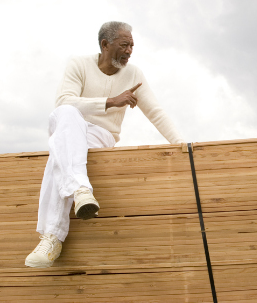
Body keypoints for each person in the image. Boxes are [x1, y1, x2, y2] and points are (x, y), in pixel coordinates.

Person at [25, 21, 185, 268]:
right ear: (105, 44)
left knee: (60, 153)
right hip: (69, 129)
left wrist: (182, 145)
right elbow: (63, 101)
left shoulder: (134, 74)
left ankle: (52, 237)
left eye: (132, 45)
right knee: (65, 114)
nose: (130, 50)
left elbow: (156, 112)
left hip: (101, 136)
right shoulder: (79, 64)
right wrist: (111, 101)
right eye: (124, 44)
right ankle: (80, 190)